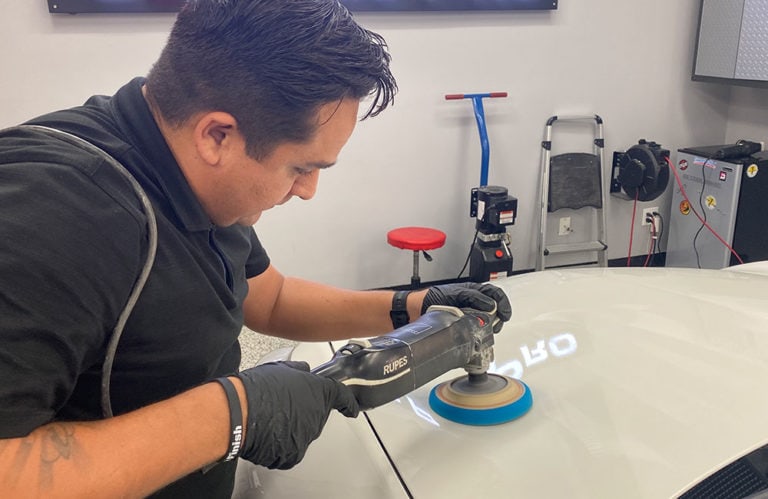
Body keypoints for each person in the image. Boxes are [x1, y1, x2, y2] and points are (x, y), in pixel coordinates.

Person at [0, 0, 512, 497]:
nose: (309, 190)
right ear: (218, 135)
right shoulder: (49, 214)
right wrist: (230, 416)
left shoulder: (188, 172)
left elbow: (268, 298)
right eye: (300, 167)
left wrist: (413, 308)